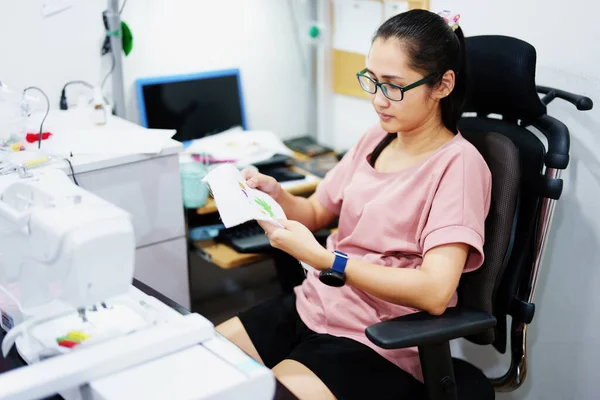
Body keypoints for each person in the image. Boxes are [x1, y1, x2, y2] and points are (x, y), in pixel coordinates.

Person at [217, 9, 491, 400]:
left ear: (443, 84)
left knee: (260, 394)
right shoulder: (377, 138)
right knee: (203, 363)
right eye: (372, 81)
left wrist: (330, 262)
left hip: (376, 339)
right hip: (313, 305)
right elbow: (314, 213)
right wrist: (274, 196)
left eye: (393, 86)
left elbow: (433, 290)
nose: (378, 100)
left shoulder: (459, 166)